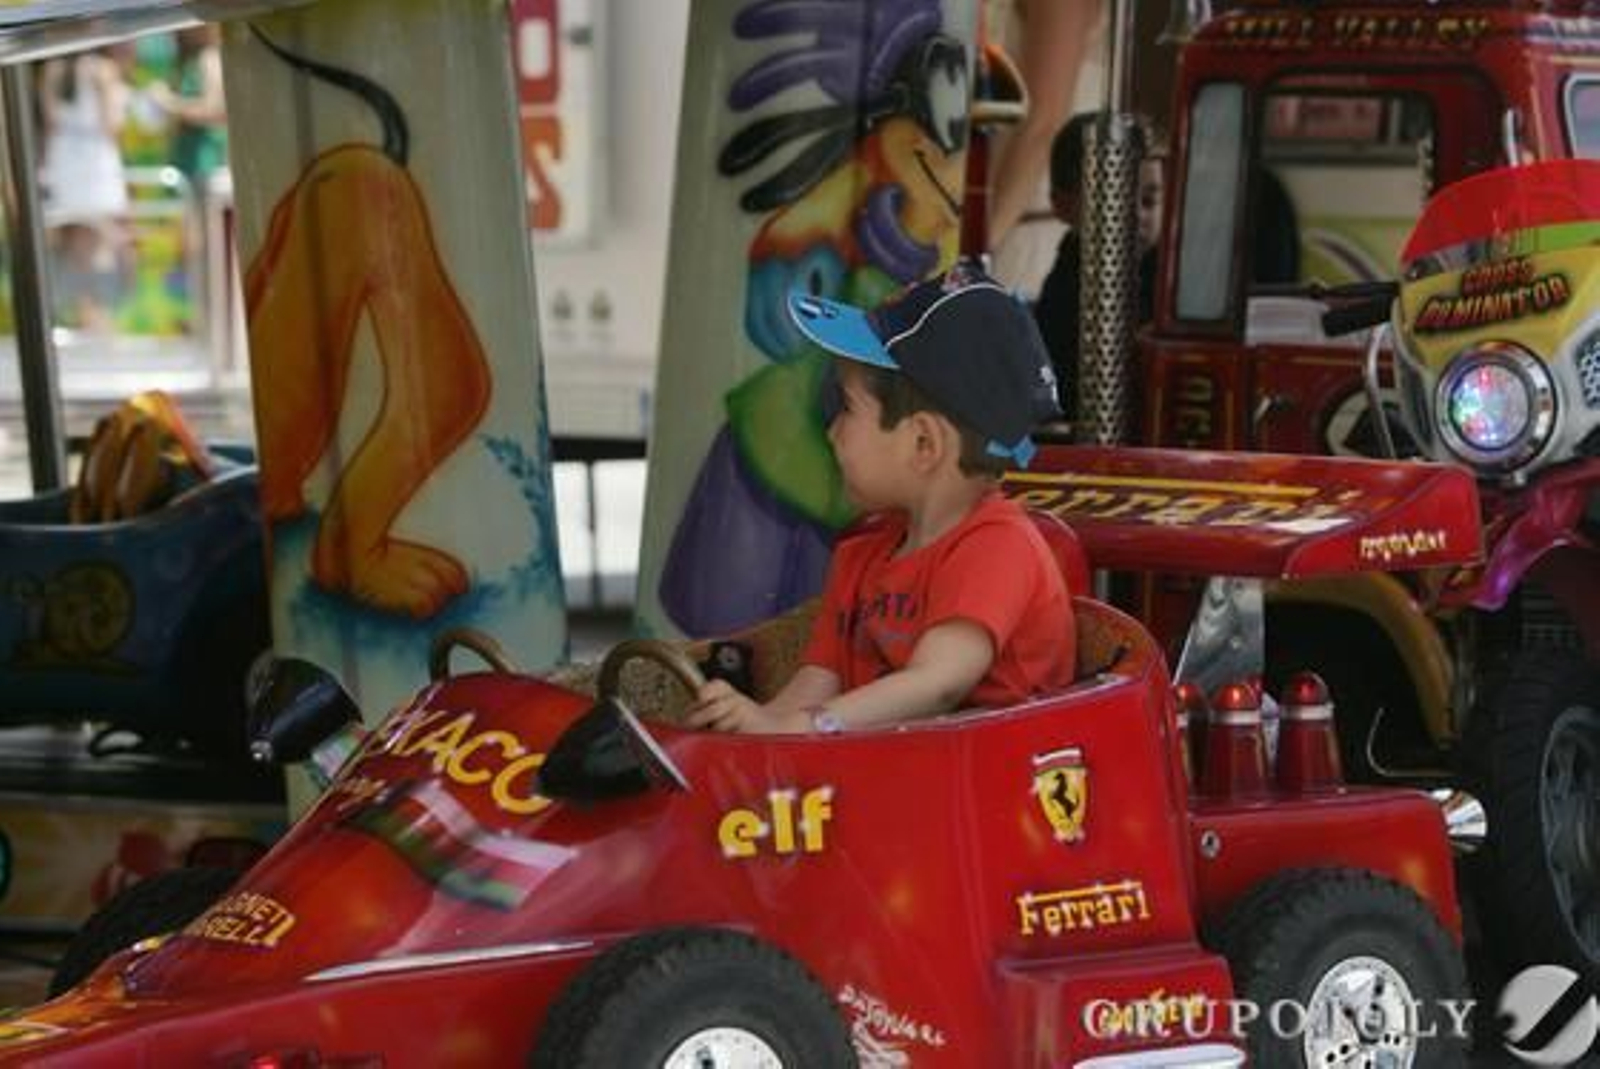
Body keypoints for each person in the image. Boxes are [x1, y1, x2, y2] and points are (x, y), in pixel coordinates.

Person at [687, 262, 1076, 735]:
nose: (830, 431)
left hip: (991, 790)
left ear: (923, 444)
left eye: (846, 408)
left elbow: (937, 685)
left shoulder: (998, 548)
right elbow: (817, 681)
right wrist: (754, 725)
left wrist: (808, 728)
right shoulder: (864, 555)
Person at [1033, 111, 1165, 419]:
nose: (1138, 217)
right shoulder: (1065, 293)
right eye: (1115, 200)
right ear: (1063, 206)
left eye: (1149, 201)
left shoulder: (1165, 277)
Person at [38, 49, 130, 330]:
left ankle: (81, 315)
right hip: (95, 160)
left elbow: (50, 122)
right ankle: (98, 317)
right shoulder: (103, 70)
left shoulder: (53, 68)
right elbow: (112, 123)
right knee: (99, 244)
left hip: (64, 157)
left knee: (76, 243)